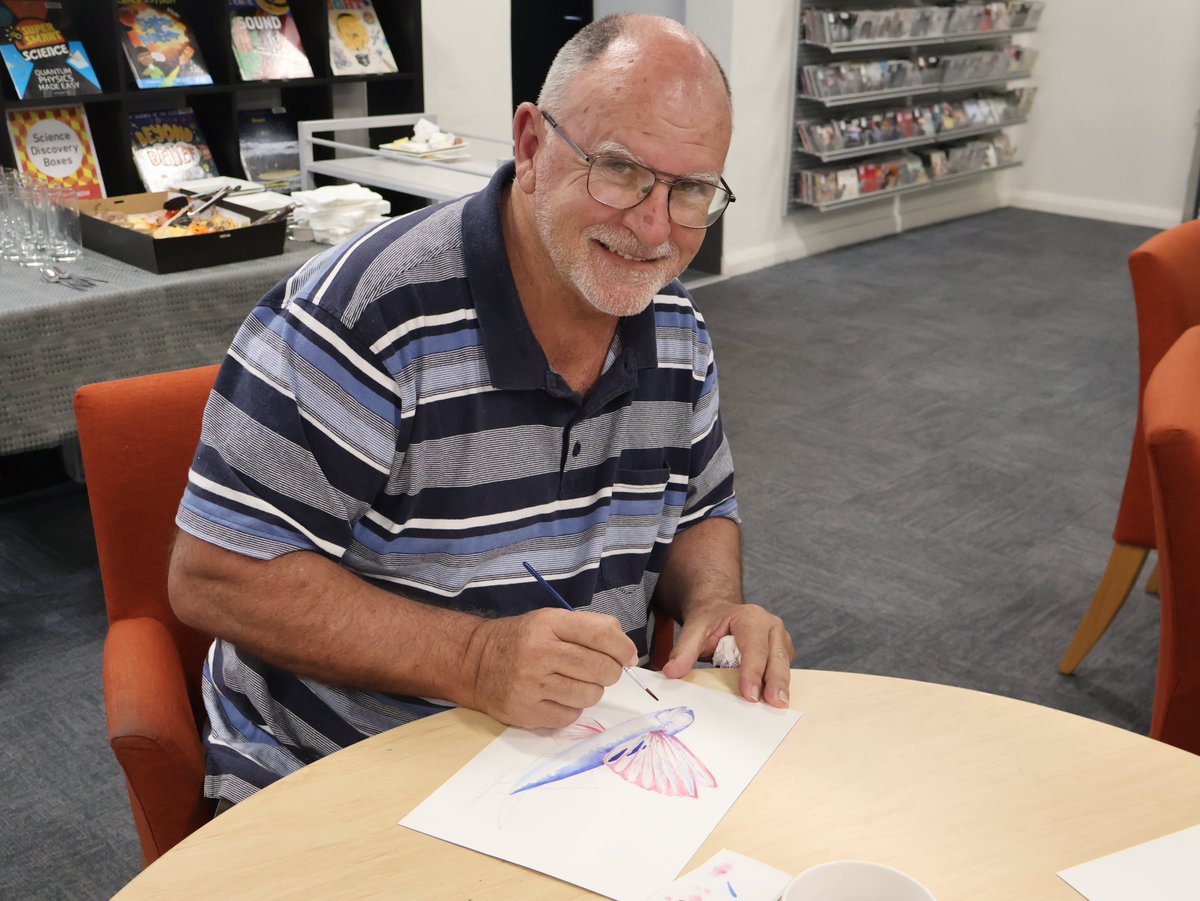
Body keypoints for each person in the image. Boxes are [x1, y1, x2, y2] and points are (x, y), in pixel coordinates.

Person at [169, 13, 794, 806]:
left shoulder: (675, 328)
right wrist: (475, 659)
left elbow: (702, 506)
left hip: (581, 749)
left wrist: (715, 606)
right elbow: (216, 576)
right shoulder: (366, 318)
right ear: (531, 146)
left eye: (692, 189)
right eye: (621, 170)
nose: (652, 225)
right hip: (348, 759)